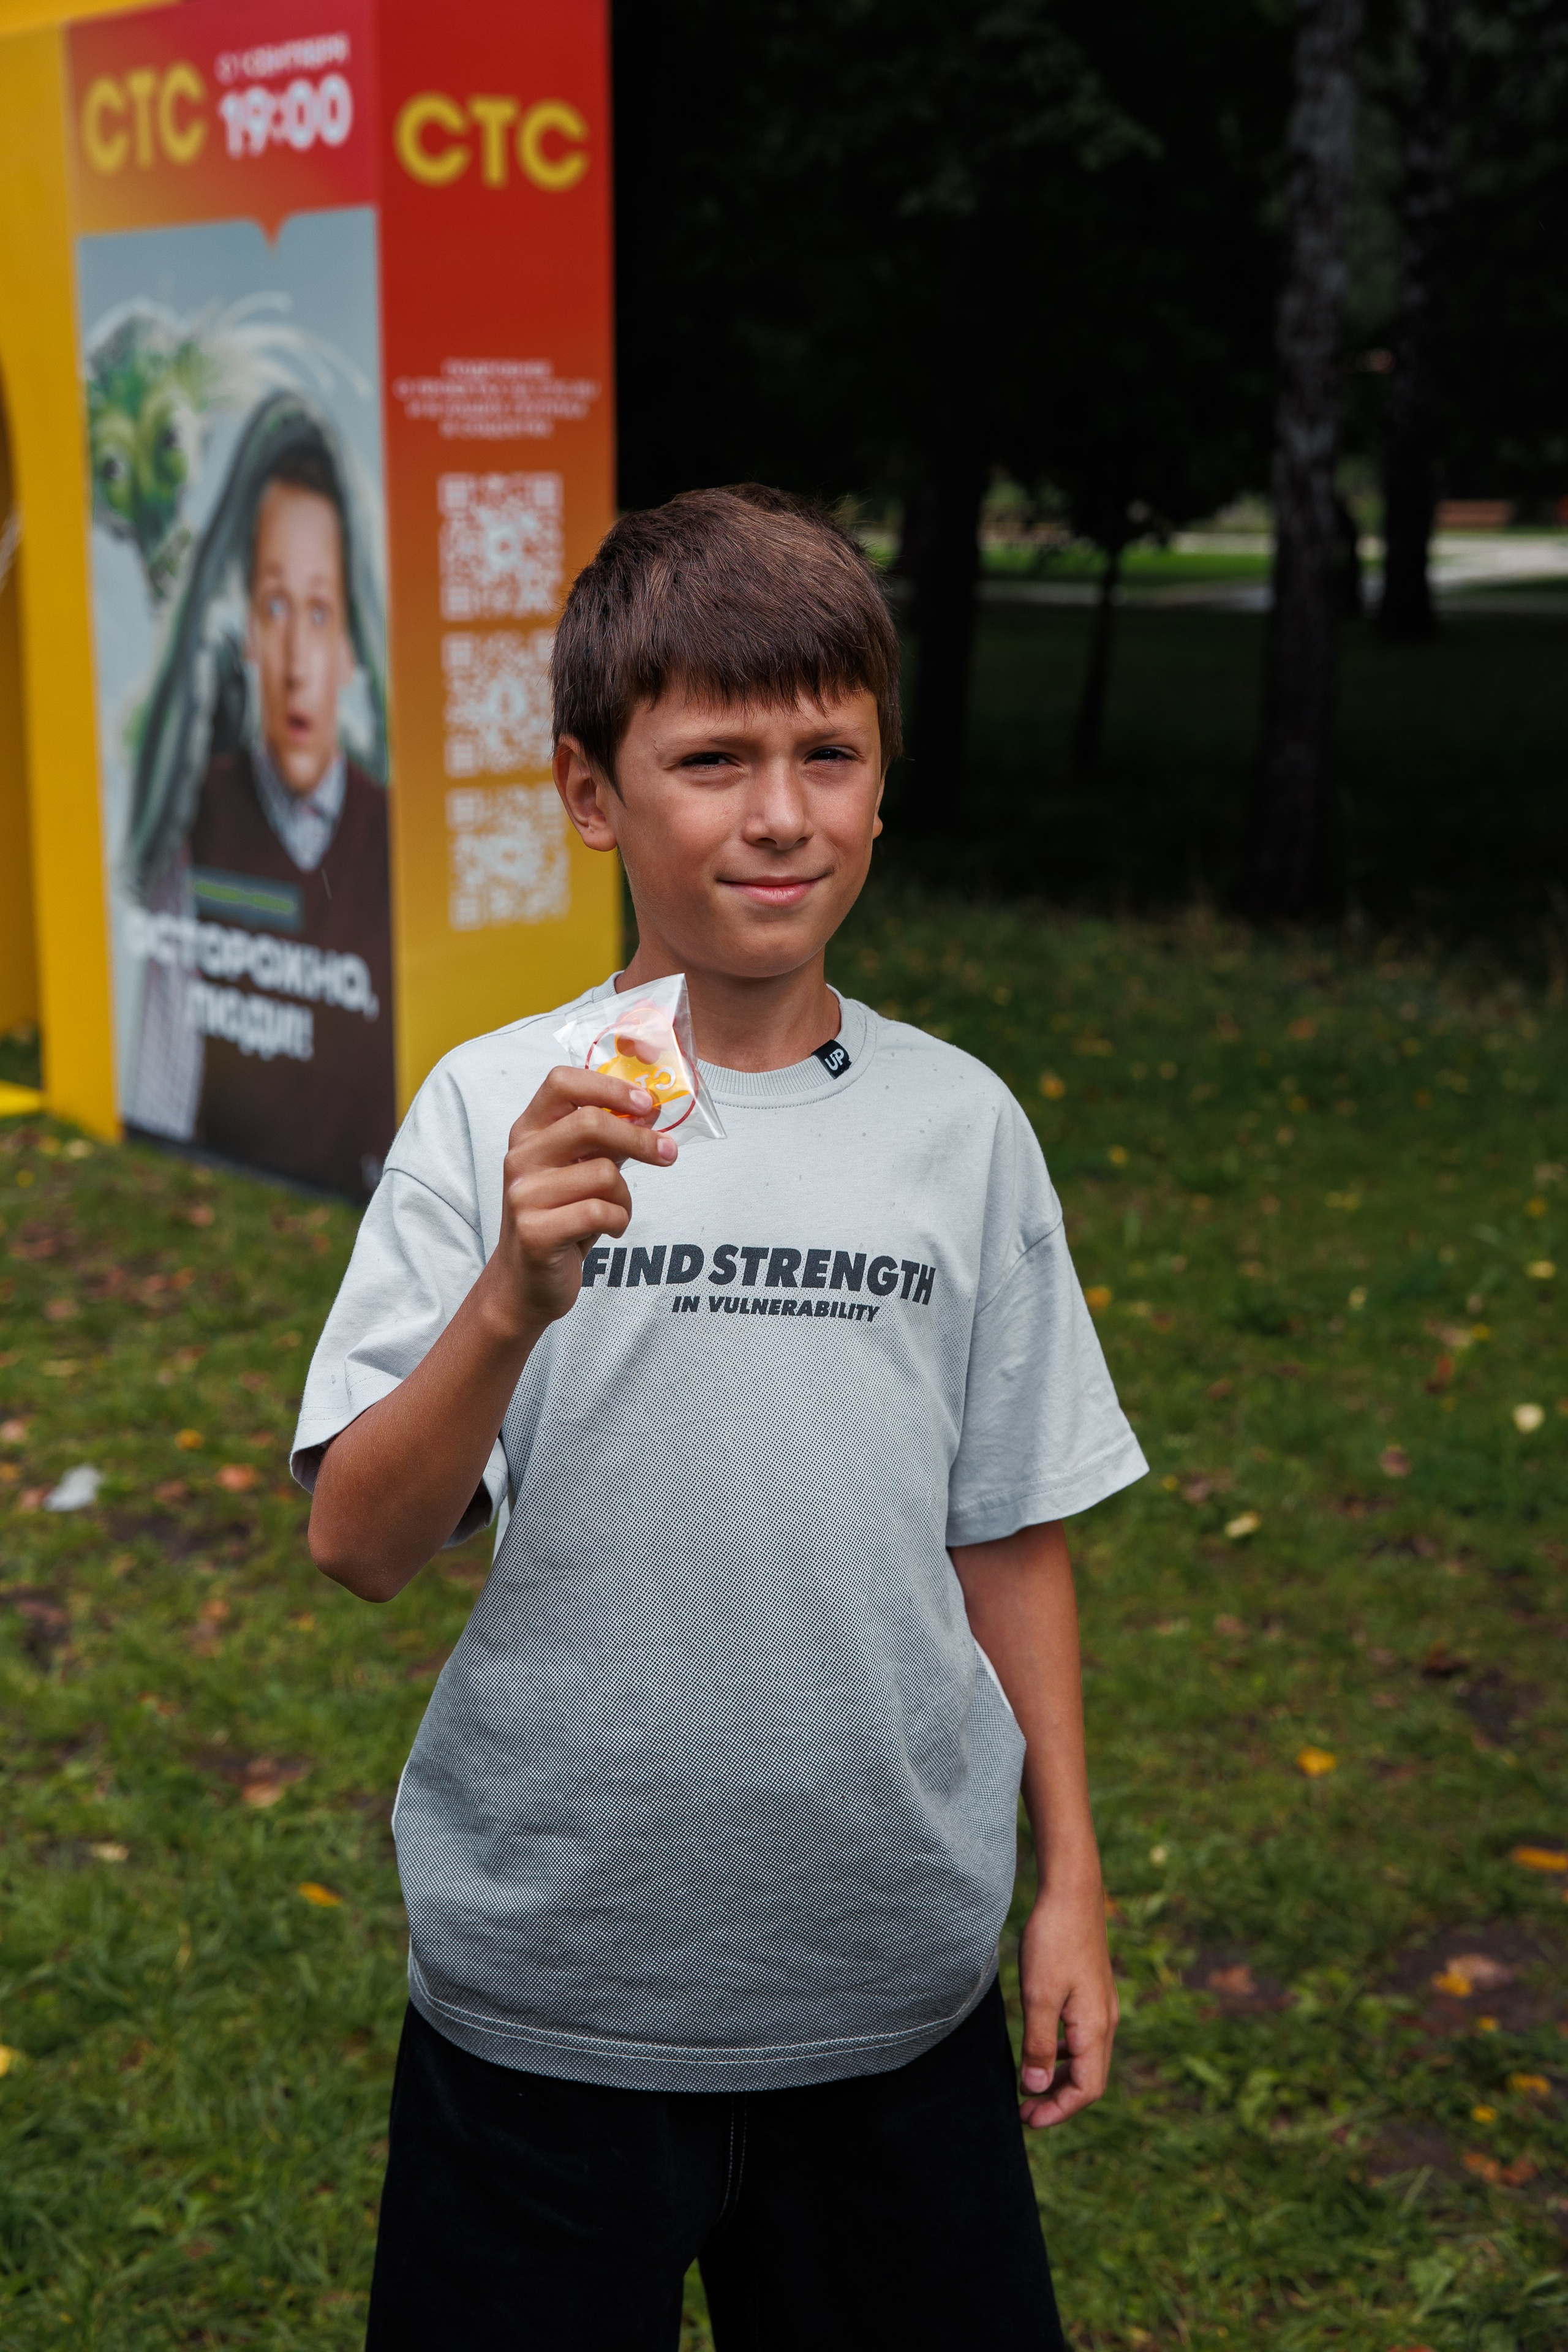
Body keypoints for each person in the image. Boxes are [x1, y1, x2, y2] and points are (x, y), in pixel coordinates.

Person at [293, 488, 1147, 2348]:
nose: (779, 813)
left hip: (893, 1997)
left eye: (827, 754)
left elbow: (1007, 1523)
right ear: (589, 791)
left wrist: (1066, 1881)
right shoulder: (493, 1110)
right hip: (548, 2007)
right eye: (710, 759)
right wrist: (508, 1298)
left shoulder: (960, 1125)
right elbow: (357, 1542)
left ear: (882, 779)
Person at [127, 445, 394, 1199]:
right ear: (246, 629)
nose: (297, 663)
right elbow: (159, 1097)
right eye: (275, 608)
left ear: (350, 649)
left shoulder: (397, 842)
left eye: (320, 613)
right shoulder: (195, 820)